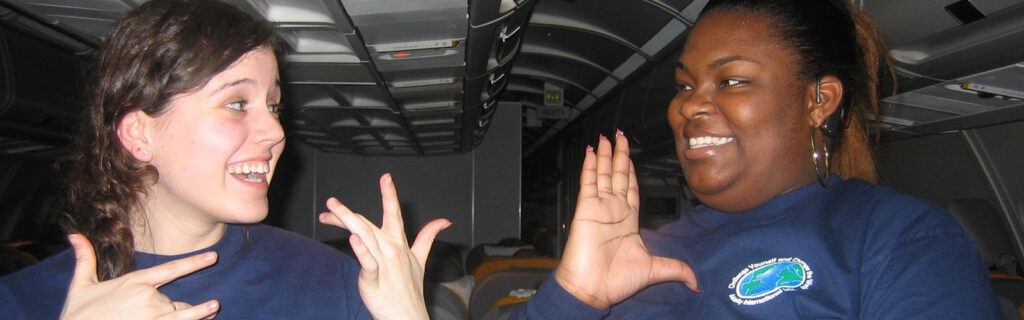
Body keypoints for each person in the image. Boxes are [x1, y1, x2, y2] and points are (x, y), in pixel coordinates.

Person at [513, 0, 1001, 318]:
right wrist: (575, 295)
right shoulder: (640, 251)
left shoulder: (898, 238)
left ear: (819, 100)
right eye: (684, 85)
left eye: (731, 81)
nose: (688, 105)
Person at [0, 0, 449, 319]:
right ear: (139, 134)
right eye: (237, 103)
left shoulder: (334, 282)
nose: (275, 132)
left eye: (273, 106)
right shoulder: (23, 302)